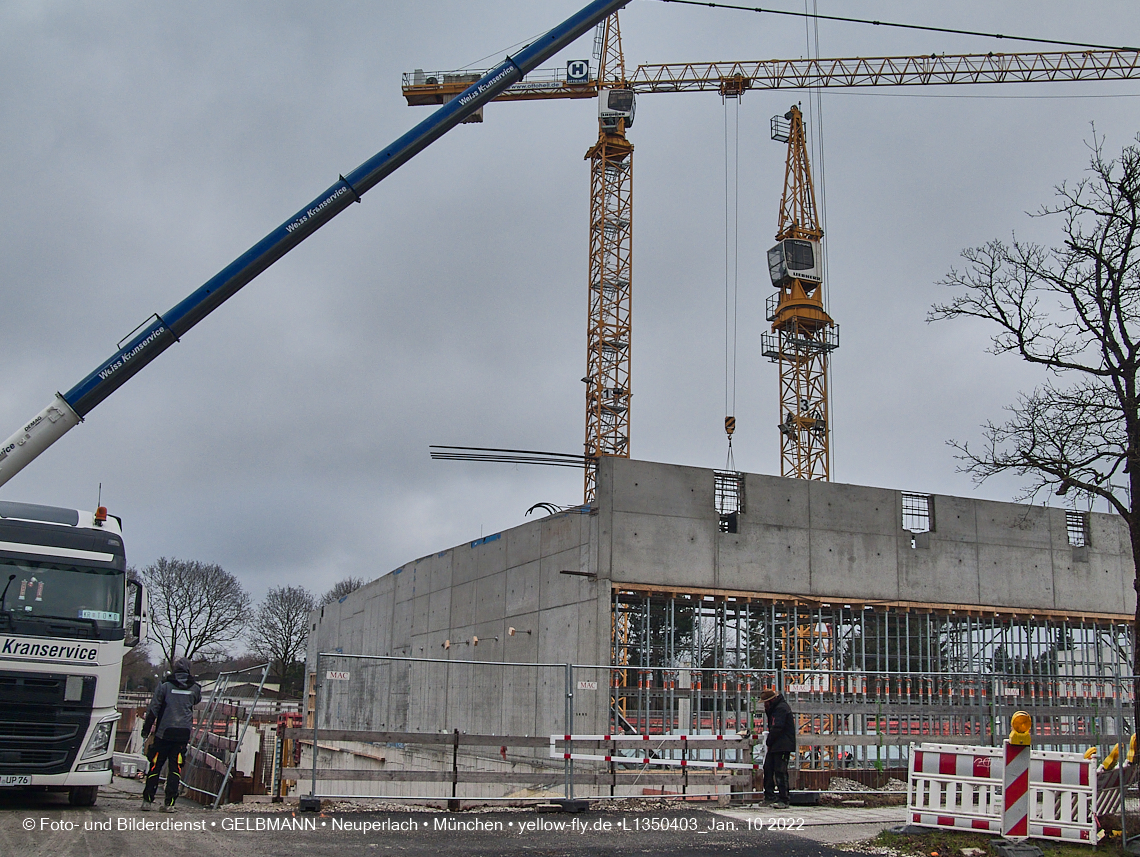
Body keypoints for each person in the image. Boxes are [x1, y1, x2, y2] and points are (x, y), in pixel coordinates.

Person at [141, 656, 201, 813]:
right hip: (183, 734)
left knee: (155, 765)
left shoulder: (165, 686)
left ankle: (147, 801)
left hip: (164, 733)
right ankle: (170, 804)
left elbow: (154, 708)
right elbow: (196, 701)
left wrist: (146, 729)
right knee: (176, 768)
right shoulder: (194, 688)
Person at [759, 687, 795, 808]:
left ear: (770, 701)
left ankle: (784, 799)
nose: (764, 705)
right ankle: (770, 796)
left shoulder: (780, 709)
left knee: (780, 771)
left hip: (782, 744)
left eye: (765, 703)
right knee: (768, 768)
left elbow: (777, 728)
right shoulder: (777, 708)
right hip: (777, 744)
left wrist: (769, 742)